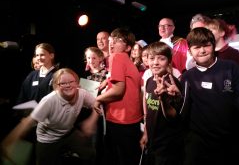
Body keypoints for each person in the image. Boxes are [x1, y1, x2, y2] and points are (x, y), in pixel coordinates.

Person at [180, 27, 239, 165]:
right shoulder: (188, 76)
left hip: (228, 142)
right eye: (197, 47)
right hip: (198, 144)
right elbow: (183, 110)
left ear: (213, 46)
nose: (202, 51)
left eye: (206, 45)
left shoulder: (230, 67)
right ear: (190, 51)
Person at [1, 68, 99, 165]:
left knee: (90, 154)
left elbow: (97, 104)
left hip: (68, 132)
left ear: (77, 83)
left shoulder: (82, 93)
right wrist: (9, 142)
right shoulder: (49, 100)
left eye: (71, 82)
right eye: (63, 83)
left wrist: (92, 120)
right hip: (48, 139)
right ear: (56, 86)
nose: (68, 85)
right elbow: (28, 122)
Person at [93, 28, 143, 165]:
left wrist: (97, 99)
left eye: (118, 40)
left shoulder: (117, 57)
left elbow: (118, 90)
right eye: (111, 39)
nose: (112, 43)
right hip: (132, 120)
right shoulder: (130, 63)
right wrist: (107, 80)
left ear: (128, 47)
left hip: (120, 120)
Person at [139, 41, 184, 165]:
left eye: (161, 58)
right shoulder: (148, 81)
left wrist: (163, 98)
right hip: (152, 141)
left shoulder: (172, 83)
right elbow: (148, 110)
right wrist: (146, 133)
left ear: (169, 61)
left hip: (167, 144)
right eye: (152, 58)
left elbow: (172, 116)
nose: (155, 62)